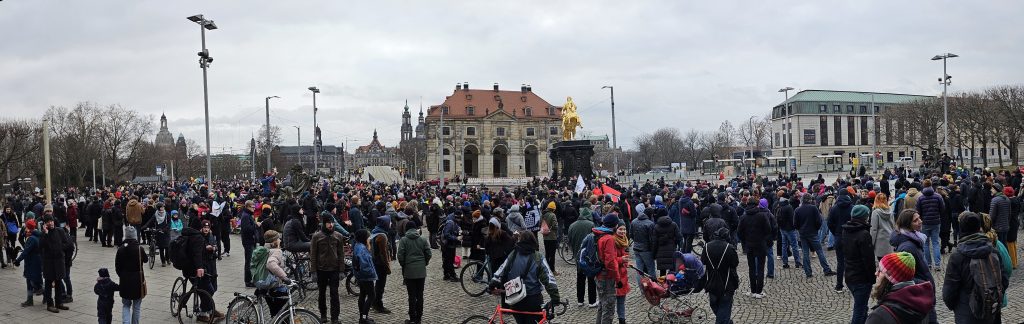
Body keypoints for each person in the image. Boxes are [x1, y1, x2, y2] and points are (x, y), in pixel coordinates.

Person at [941, 212, 1009, 324]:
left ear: (961, 229)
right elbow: (1004, 279)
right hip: (991, 309)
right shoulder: (993, 250)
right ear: (979, 228)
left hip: (967, 313)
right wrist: (994, 296)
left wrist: (958, 307)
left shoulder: (957, 256)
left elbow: (949, 291)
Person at [490, 229, 561, 324]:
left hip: (515, 299)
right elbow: (548, 279)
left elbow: (501, 270)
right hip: (532, 299)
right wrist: (555, 298)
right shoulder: (538, 257)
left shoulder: (513, 254)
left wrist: (492, 284)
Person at [865, 252, 934, 324]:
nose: (876, 273)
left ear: (890, 278)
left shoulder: (878, 317)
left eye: (880, 271)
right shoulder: (921, 306)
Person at [842, 205, 875, 324]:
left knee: (862, 307)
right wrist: (872, 278)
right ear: (865, 217)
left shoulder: (846, 230)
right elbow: (869, 260)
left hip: (850, 275)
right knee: (860, 310)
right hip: (861, 278)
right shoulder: (864, 234)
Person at [702, 218, 739, 324]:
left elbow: (703, 261)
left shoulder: (707, 246)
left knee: (715, 304)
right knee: (725, 305)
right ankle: (724, 321)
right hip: (726, 281)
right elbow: (735, 263)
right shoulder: (729, 247)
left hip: (711, 280)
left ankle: (725, 320)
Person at [310, 215, 345, 324]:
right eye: (328, 222)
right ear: (324, 224)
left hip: (334, 269)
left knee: (334, 294)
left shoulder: (338, 236)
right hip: (321, 270)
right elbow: (313, 255)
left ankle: (335, 317)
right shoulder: (316, 237)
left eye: (332, 222)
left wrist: (341, 270)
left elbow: (341, 254)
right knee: (322, 293)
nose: (331, 225)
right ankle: (323, 315)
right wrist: (313, 271)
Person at [737, 198, 773, 298]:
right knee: (760, 268)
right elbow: (768, 229)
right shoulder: (762, 216)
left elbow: (739, 233)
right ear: (757, 205)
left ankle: (753, 290)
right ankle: (759, 291)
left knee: (751, 268)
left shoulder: (744, 217)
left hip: (749, 245)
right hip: (760, 244)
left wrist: (745, 240)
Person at [794, 194, 836, 278]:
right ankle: (826, 270)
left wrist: (801, 229)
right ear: (810, 200)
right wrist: (815, 229)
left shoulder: (797, 210)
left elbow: (795, 224)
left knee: (805, 253)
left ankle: (808, 272)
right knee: (819, 251)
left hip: (803, 234)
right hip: (813, 232)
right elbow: (819, 221)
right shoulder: (813, 208)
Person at [397, 221, 431, 324]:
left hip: (409, 271)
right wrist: (424, 263)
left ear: (406, 229)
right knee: (420, 295)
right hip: (421, 271)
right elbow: (428, 253)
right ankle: (419, 318)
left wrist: (404, 265)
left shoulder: (403, 240)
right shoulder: (422, 239)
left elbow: (400, 255)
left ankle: (412, 318)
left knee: (411, 295)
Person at [593, 214, 623, 324]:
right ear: (614, 225)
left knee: (602, 305)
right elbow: (610, 262)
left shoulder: (599, 234)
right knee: (609, 308)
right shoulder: (609, 238)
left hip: (600, 275)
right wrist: (618, 279)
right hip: (607, 277)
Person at [114, 226, 147, 324]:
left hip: (125, 280)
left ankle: (126, 322)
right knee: (136, 307)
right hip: (138, 281)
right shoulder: (139, 249)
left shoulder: (120, 249)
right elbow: (145, 260)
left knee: (126, 305)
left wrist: (122, 276)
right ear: (135, 236)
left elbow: (117, 267)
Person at [567, 204, 597, 307]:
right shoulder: (591, 225)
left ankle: (580, 300)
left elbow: (569, 242)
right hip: (590, 256)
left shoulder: (572, 225)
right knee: (591, 279)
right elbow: (595, 240)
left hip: (577, 255)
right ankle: (592, 301)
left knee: (580, 278)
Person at [39, 215, 69, 313]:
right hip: (49, 262)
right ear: (45, 224)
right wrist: (46, 234)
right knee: (48, 284)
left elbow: (66, 243)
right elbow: (41, 246)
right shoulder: (43, 233)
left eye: (51, 221)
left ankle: (59, 302)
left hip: (59, 261)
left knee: (59, 282)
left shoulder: (60, 231)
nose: (50, 223)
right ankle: (50, 304)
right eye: (48, 221)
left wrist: (59, 248)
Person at [828, 190, 854, 292]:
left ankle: (839, 285)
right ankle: (851, 285)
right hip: (850, 237)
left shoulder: (834, 208)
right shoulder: (852, 207)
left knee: (840, 263)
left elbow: (830, 223)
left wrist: (836, 233)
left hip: (839, 237)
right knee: (851, 262)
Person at [261, 230, 292, 318]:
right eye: (278, 238)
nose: (280, 240)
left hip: (266, 288)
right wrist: (284, 277)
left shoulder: (263, 249)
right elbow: (271, 264)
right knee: (284, 317)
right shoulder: (277, 251)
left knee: (275, 315)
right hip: (277, 288)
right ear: (274, 241)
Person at [352, 229, 378, 324]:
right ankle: (364, 318)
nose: (369, 239)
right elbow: (365, 266)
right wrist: (372, 274)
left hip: (360, 276)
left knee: (363, 295)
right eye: (368, 237)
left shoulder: (358, 246)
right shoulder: (362, 249)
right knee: (372, 296)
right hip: (366, 277)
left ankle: (362, 316)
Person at [915, 186, 945, 271]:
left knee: (926, 244)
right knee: (935, 243)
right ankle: (938, 264)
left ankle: (928, 264)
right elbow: (942, 208)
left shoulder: (921, 198)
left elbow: (918, 211)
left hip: (925, 223)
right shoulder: (938, 196)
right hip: (936, 222)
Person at [15, 219, 41, 307]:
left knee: (32, 282)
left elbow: (25, 251)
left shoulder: (32, 239)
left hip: (32, 263)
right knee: (31, 281)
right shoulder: (37, 236)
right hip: (36, 262)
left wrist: (17, 260)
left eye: (26, 227)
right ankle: (31, 299)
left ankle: (43, 296)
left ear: (28, 227)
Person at [370, 216, 393, 314]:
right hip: (380, 264)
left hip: (375, 262)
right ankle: (378, 305)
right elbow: (383, 253)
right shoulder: (382, 236)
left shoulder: (374, 232)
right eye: (389, 222)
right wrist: (387, 267)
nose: (391, 224)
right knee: (380, 286)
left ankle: (374, 303)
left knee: (378, 285)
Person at [142, 203, 171, 267]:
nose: (163, 208)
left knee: (167, 247)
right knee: (161, 248)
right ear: (158, 208)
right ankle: (163, 261)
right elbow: (150, 221)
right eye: (161, 207)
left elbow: (169, 223)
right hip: (159, 232)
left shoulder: (167, 214)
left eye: (163, 207)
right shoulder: (155, 214)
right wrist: (145, 226)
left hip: (165, 232)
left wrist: (165, 229)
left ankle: (168, 259)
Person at [612, 224, 630, 324]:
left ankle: (622, 320)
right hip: (615, 274)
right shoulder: (613, 241)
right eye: (620, 229)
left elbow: (626, 255)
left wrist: (626, 262)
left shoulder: (625, 240)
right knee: (611, 300)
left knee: (621, 299)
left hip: (623, 274)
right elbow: (610, 259)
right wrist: (621, 260)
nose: (623, 231)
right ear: (616, 230)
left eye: (624, 229)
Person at [238, 201, 259, 287]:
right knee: (249, 261)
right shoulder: (246, 216)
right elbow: (247, 229)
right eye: (252, 207)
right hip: (248, 241)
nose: (254, 209)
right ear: (247, 207)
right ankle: (248, 281)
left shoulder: (248, 215)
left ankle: (251, 279)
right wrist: (256, 225)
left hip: (250, 241)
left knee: (251, 261)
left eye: (254, 207)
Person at [869, 193, 895, 261]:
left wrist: (871, 243)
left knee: (882, 263)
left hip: (880, 242)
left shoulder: (875, 212)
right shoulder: (890, 211)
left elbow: (874, 229)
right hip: (890, 240)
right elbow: (893, 226)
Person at [654, 213, 680, 277]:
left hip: (660, 251)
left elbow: (654, 241)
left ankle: (662, 285)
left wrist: (654, 253)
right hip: (672, 250)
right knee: (672, 271)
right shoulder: (673, 224)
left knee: (662, 273)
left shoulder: (656, 226)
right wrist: (675, 244)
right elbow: (678, 237)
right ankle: (671, 285)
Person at [440, 211, 462, 281]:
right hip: (448, 245)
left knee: (446, 260)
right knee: (450, 260)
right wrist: (456, 238)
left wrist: (458, 229)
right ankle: (453, 276)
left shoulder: (452, 220)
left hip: (448, 245)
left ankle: (446, 275)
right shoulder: (450, 222)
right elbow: (447, 234)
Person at [540, 201, 559, 276]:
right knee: (552, 254)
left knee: (547, 253)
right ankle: (552, 270)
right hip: (552, 237)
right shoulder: (552, 215)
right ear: (553, 209)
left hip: (545, 237)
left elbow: (540, 224)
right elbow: (555, 226)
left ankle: (546, 269)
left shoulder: (543, 214)